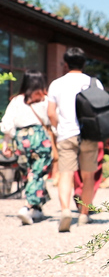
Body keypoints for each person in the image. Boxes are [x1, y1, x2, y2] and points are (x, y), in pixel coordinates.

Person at [47, 47, 103, 232]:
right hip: (89, 134)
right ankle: (83, 216)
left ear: (65, 64)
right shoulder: (94, 83)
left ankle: (65, 211)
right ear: (84, 63)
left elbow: (50, 113)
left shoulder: (56, 84)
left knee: (66, 174)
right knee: (88, 177)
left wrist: (58, 128)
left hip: (66, 134)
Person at [1, 70, 53, 225]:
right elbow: (53, 119)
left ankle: (37, 209)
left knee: (29, 174)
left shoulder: (17, 100)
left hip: (21, 140)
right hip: (40, 139)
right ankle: (27, 207)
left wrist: (6, 144)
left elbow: (7, 124)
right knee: (37, 174)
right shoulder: (45, 101)